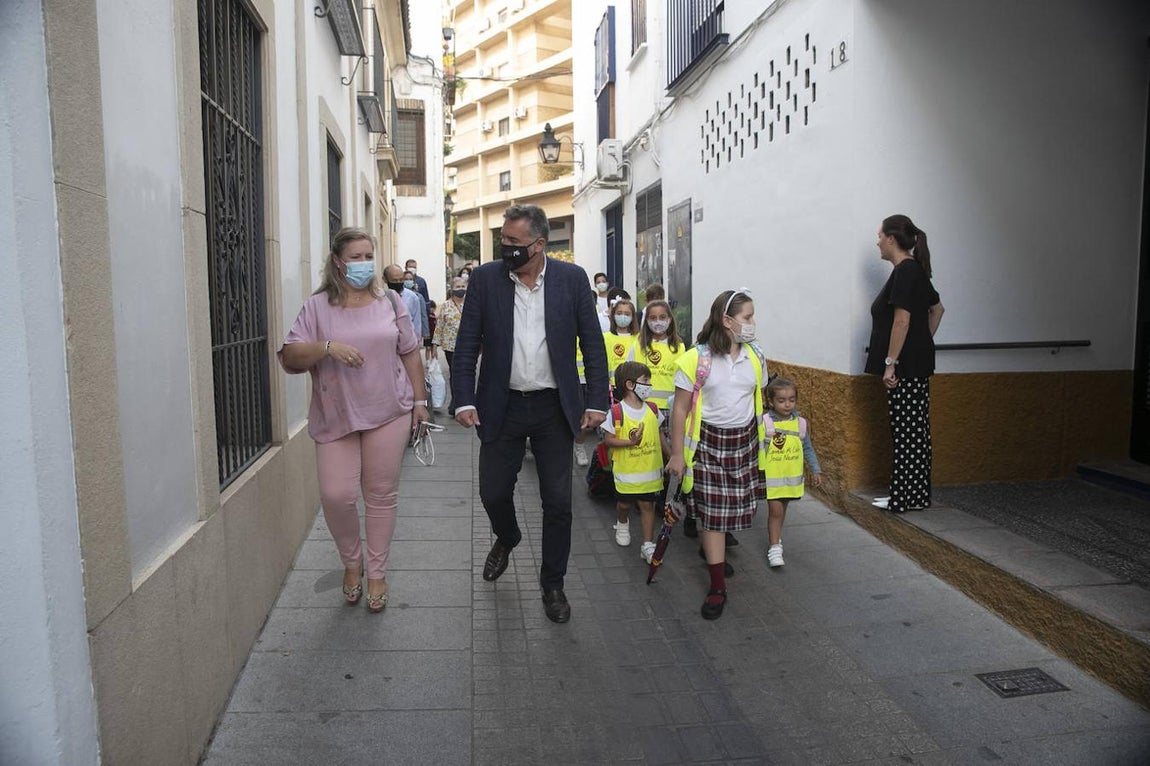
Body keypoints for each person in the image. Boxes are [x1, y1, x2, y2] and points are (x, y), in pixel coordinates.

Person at [452, 204, 609, 624]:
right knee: (493, 493)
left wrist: (596, 402)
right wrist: (463, 398)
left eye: (514, 243)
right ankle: (508, 536)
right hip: (500, 405)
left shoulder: (571, 281)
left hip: (553, 408)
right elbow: (467, 343)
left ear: (539, 246)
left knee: (558, 502)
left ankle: (552, 584)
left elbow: (592, 345)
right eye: (503, 241)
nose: (506, 249)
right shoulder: (486, 280)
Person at [278, 228, 430, 613]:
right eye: (356, 257)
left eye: (369, 256)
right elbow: (290, 357)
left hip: (388, 411)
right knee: (337, 495)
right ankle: (352, 560)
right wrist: (327, 348)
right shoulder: (317, 308)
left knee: (380, 496)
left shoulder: (391, 301)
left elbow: (410, 352)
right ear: (337, 262)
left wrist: (420, 401)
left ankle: (376, 572)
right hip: (336, 414)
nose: (364, 264)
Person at [666, 289, 770, 620]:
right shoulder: (695, 359)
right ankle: (716, 586)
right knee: (712, 513)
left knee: (732, 510)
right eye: (747, 317)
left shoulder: (756, 357)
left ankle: (713, 548)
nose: (753, 323)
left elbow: (757, 397)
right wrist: (678, 454)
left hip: (744, 444)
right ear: (727, 321)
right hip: (708, 444)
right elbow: (680, 410)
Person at [865, 214, 944, 514]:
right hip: (914, 364)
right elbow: (937, 310)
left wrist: (891, 362)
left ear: (891, 239)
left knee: (906, 433)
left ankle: (902, 498)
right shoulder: (915, 271)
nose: (877, 242)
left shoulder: (905, 271)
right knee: (915, 433)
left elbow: (902, 319)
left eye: (879, 235)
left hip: (903, 369)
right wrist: (920, 344)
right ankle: (913, 496)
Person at [602, 361, 670, 564]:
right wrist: (629, 442)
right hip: (626, 472)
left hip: (650, 471)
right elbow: (608, 439)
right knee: (624, 504)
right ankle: (622, 521)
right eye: (645, 380)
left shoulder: (652, 409)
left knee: (647, 505)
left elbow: (659, 435)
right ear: (630, 385)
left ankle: (647, 545)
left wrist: (671, 455)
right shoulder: (616, 412)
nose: (649, 384)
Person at [763, 377, 823, 567]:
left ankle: (776, 538)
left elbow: (808, 449)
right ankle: (774, 548)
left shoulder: (800, 424)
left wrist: (815, 469)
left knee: (781, 511)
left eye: (791, 399)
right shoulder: (765, 423)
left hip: (791, 478)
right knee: (775, 511)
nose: (787, 404)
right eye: (781, 400)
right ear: (771, 402)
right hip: (772, 479)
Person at [433, 276, 467, 416]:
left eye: (463, 286)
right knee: (455, 373)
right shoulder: (446, 305)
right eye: (457, 287)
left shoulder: (471, 303)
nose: (461, 289)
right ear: (452, 289)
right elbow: (439, 326)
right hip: (450, 346)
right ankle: (455, 402)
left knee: (467, 373)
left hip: (468, 346)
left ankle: (466, 401)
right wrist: (435, 345)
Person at [384, 264, 429, 343]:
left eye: (401, 280)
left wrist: (416, 342)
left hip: (407, 342)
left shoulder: (413, 297)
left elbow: (417, 322)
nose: (398, 282)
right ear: (385, 279)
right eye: (394, 280)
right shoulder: (380, 297)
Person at [604, 298, 638, 375]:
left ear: (633, 317)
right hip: (612, 385)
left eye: (627, 314)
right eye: (619, 313)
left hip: (633, 384)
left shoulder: (639, 339)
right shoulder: (605, 338)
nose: (623, 316)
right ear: (613, 315)